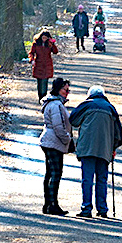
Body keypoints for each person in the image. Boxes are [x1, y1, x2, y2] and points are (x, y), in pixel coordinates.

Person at [69, 85, 122, 218]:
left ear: (90, 95)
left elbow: (73, 120)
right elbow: (119, 135)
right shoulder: (110, 108)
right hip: (104, 150)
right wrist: (113, 148)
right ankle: (102, 209)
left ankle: (86, 209)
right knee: (102, 180)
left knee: (87, 179)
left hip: (87, 149)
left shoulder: (86, 105)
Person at [38, 78, 72, 216]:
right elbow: (59, 127)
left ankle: (48, 204)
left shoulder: (54, 103)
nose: (67, 93)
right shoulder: (56, 104)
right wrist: (67, 140)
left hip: (50, 141)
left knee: (50, 173)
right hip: (53, 142)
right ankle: (52, 205)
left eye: (68, 90)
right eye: (65, 90)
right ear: (58, 89)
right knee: (55, 174)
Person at [28, 30, 58, 102]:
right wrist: (32, 60)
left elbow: (55, 52)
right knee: (39, 82)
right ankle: (40, 97)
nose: (44, 39)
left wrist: (53, 44)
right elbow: (31, 53)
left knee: (45, 82)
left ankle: (44, 98)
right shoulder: (36, 44)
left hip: (47, 65)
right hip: (38, 64)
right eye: (43, 38)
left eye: (45, 38)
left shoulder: (49, 44)